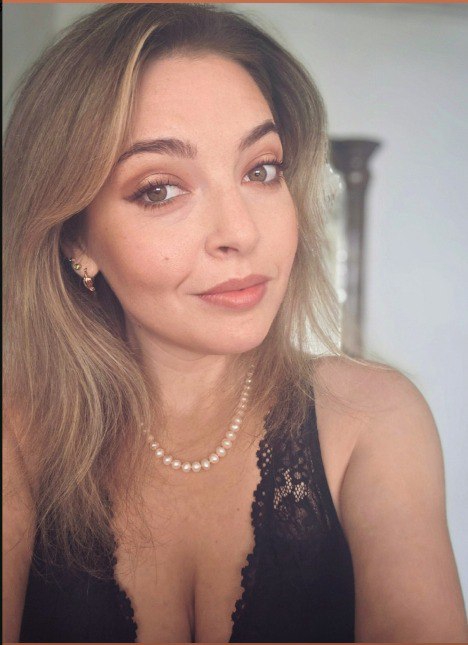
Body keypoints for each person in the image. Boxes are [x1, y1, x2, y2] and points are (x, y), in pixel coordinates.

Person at [3, 3, 467, 643]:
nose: (241, 232)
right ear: (74, 236)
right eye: (160, 188)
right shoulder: (16, 438)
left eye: (261, 170)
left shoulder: (373, 420)